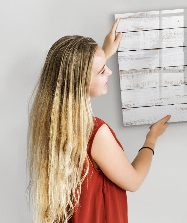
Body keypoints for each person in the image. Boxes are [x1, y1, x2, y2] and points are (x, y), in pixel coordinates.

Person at [27, 19, 171, 223]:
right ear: (81, 81)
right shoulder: (95, 133)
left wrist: (104, 53)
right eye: (102, 70)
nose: (109, 72)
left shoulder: (50, 122)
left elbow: (76, 75)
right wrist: (152, 138)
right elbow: (134, 181)